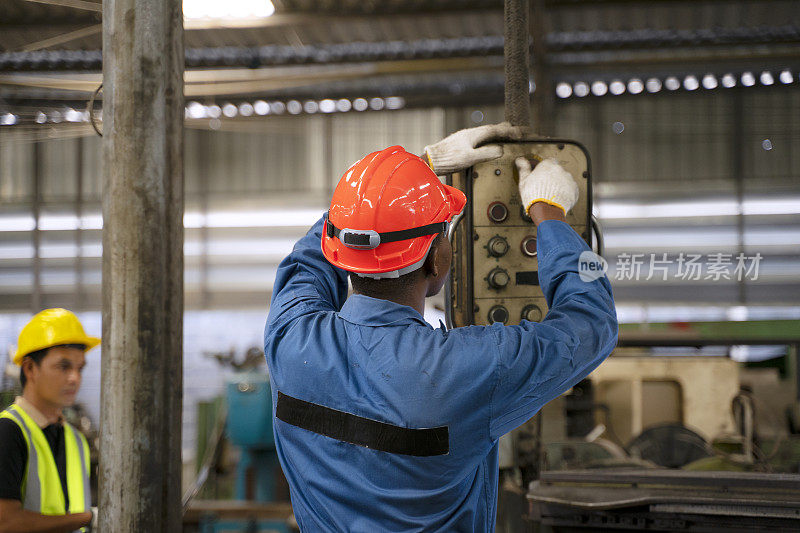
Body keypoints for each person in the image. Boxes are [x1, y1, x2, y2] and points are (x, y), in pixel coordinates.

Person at [264, 124, 618, 531]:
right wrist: (551, 218)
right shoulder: (471, 367)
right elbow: (593, 323)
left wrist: (417, 170)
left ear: (344, 257)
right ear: (437, 260)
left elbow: (320, 245)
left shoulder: (289, 336)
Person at [0, 308, 99, 533]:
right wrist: (88, 518)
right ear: (30, 368)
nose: (75, 378)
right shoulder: (8, 431)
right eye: (64, 367)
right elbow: (5, 522)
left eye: (79, 368)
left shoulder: (76, 440)